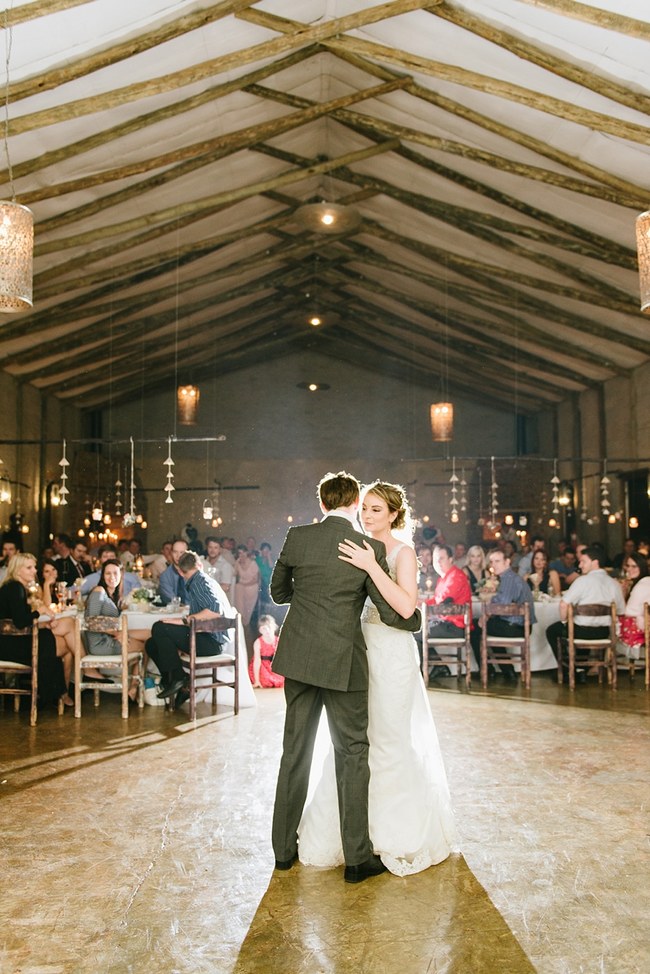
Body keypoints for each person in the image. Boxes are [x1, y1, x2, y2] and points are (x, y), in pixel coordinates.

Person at [271, 472, 422, 884]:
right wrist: (414, 620)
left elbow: (278, 593)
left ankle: (283, 852)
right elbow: (386, 607)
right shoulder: (367, 547)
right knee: (353, 753)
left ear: (322, 504)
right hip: (344, 662)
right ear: (356, 503)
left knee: (294, 751)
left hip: (300, 658)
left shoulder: (296, 537)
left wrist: (307, 597)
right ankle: (357, 860)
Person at [146, 550, 227, 704]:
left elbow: (215, 610)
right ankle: (178, 683)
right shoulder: (203, 578)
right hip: (207, 637)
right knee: (151, 644)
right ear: (199, 564)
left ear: (180, 571)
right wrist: (179, 621)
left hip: (211, 641)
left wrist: (184, 620)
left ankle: (179, 678)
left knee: (159, 628)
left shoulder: (198, 581)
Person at [545, 545, 625, 683]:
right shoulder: (614, 584)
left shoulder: (582, 581)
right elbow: (621, 610)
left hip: (581, 631)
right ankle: (581, 670)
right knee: (579, 628)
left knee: (552, 630)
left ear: (595, 563)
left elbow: (563, 604)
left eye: (583, 561)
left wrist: (565, 622)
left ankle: (566, 671)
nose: (580, 565)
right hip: (604, 633)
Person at [0, 553, 69, 707]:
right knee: (58, 644)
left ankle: (55, 693)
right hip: (8, 645)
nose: (34, 571)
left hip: (11, 640)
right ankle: (56, 694)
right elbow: (20, 622)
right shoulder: (15, 587)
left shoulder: (15, 587)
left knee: (50, 638)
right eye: (29, 568)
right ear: (18, 570)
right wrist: (41, 611)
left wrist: (41, 623)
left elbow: (19, 620)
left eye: (34, 567)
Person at [84, 560, 150, 700]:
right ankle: (133, 689)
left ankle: (134, 688)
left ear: (121, 575)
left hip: (109, 637)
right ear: (102, 575)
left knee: (150, 633)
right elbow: (92, 621)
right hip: (99, 644)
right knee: (146, 646)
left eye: (115, 573)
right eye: (108, 573)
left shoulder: (113, 595)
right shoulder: (99, 590)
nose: (112, 576)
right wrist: (116, 632)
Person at [471, 548, 536, 681]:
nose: (493, 565)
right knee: (489, 628)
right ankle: (508, 671)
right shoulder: (511, 577)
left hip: (515, 627)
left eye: (497, 561)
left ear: (507, 562)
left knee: (474, 627)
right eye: (491, 561)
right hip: (520, 626)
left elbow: (501, 605)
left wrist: (485, 615)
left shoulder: (508, 578)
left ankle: (487, 671)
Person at [425, 544, 472, 679]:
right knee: (415, 630)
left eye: (441, 559)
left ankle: (435, 668)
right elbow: (435, 600)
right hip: (447, 623)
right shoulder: (443, 578)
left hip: (455, 626)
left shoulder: (456, 575)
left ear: (451, 559)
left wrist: (423, 607)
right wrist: (418, 604)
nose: (438, 563)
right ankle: (439, 666)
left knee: (416, 631)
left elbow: (444, 601)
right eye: (436, 560)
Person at [617, 553, 650, 653]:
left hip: (641, 631)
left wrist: (622, 593)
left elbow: (627, 611)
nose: (629, 569)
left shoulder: (642, 585)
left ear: (642, 566)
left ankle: (602, 664)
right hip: (645, 627)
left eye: (634, 566)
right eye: (628, 565)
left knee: (608, 624)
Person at [248, 614, 283, 688]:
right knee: (265, 680)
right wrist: (257, 681)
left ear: (274, 627)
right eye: (264, 628)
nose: (267, 631)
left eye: (269, 627)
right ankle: (258, 680)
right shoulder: (258, 642)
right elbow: (257, 661)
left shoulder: (278, 641)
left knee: (282, 680)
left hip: (274, 666)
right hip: (262, 666)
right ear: (260, 630)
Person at [233, 544, 260, 627]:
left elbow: (256, 579)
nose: (242, 555)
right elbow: (234, 574)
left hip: (251, 587)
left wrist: (244, 583)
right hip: (241, 587)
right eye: (239, 553)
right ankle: (240, 622)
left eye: (243, 553)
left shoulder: (253, 563)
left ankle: (245, 623)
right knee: (237, 588)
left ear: (246, 553)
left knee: (248, 609)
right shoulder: (237, 562)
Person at [158, 539, 189, 606]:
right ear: (171, 553)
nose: (178, 556)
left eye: (182, 552)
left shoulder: (195, 573)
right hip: (175, 611)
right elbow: (172, 600)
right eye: (175, 552)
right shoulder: (165, 576)